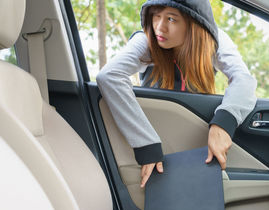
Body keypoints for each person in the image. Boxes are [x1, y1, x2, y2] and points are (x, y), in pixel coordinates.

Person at [96, 0, 257, 188]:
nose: (160, 27)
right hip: (157, 138)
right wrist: (146, 145)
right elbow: (109, 76)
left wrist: (224, 123)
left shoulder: (214, 39)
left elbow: (244, 79)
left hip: (194, 142)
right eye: (156, 16)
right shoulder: (146, 39)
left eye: (171, 19)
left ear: (193, 23)